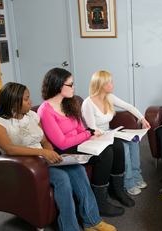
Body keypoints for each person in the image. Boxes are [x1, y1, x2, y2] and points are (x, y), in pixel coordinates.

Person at [0, 82, 116, 231]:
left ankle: (92, 221)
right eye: (26, 99)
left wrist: (51, 153)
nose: (31, 102)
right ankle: (70, 229)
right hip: (25, 167)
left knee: (78, 169)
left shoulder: (32, 116)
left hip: (44, 159)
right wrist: (43, 153)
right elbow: (10, 149)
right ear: (12, 100)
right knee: (62, 178)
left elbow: (43, 141)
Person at [37, 67, 134, 218]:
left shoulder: (69, 102)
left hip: (78, 143)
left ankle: (117, 189)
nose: (73, 87)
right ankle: (100, 202)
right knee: (105, 152)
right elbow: (62, 143)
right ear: (58, 86)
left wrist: (88, 135)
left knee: (117, 145)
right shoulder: (45, 111)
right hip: (63, 151)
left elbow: (80, 127)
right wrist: (88, 134)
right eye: (70, 84)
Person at [81, 70, 151, 195]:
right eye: (111, 82)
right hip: (95, 137)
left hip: (108, 132)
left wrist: (142, 119)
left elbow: (129, 107)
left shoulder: (109, 97)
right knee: (123, 145)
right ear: (103, 85)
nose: (113, 85)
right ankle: (128, 183)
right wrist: (112, 134)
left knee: (134, 141)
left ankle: (136, 177)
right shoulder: (88, 103)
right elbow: (92, 129)